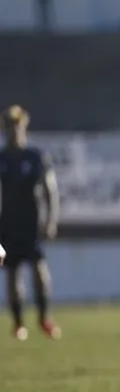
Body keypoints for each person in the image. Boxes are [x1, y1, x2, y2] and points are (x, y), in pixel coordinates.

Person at [0, 105, 60, 341]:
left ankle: (44, 319)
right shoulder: (2, 159)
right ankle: (17, 324)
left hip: (31, 224)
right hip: (7, 225)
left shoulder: (36, 157)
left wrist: (51, 220)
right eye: (9, 126)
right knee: (12, 274)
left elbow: (50, 191)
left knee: (39, 272)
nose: (14, 130)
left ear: (24, 126)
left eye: (17, 125)